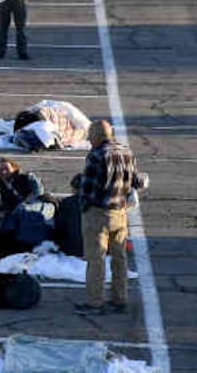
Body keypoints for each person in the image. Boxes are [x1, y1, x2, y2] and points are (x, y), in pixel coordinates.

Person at [76, 120, 147, 315]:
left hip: (98, 213)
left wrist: (83, 207)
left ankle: (95, 302)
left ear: (98, 135)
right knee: (120, 258)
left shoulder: (97, 154)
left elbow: (88, 188)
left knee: (96, 259)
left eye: (91, 135)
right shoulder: (126, 151)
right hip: (120, 212)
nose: (89, 138)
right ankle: (120, 299)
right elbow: (136, 181)